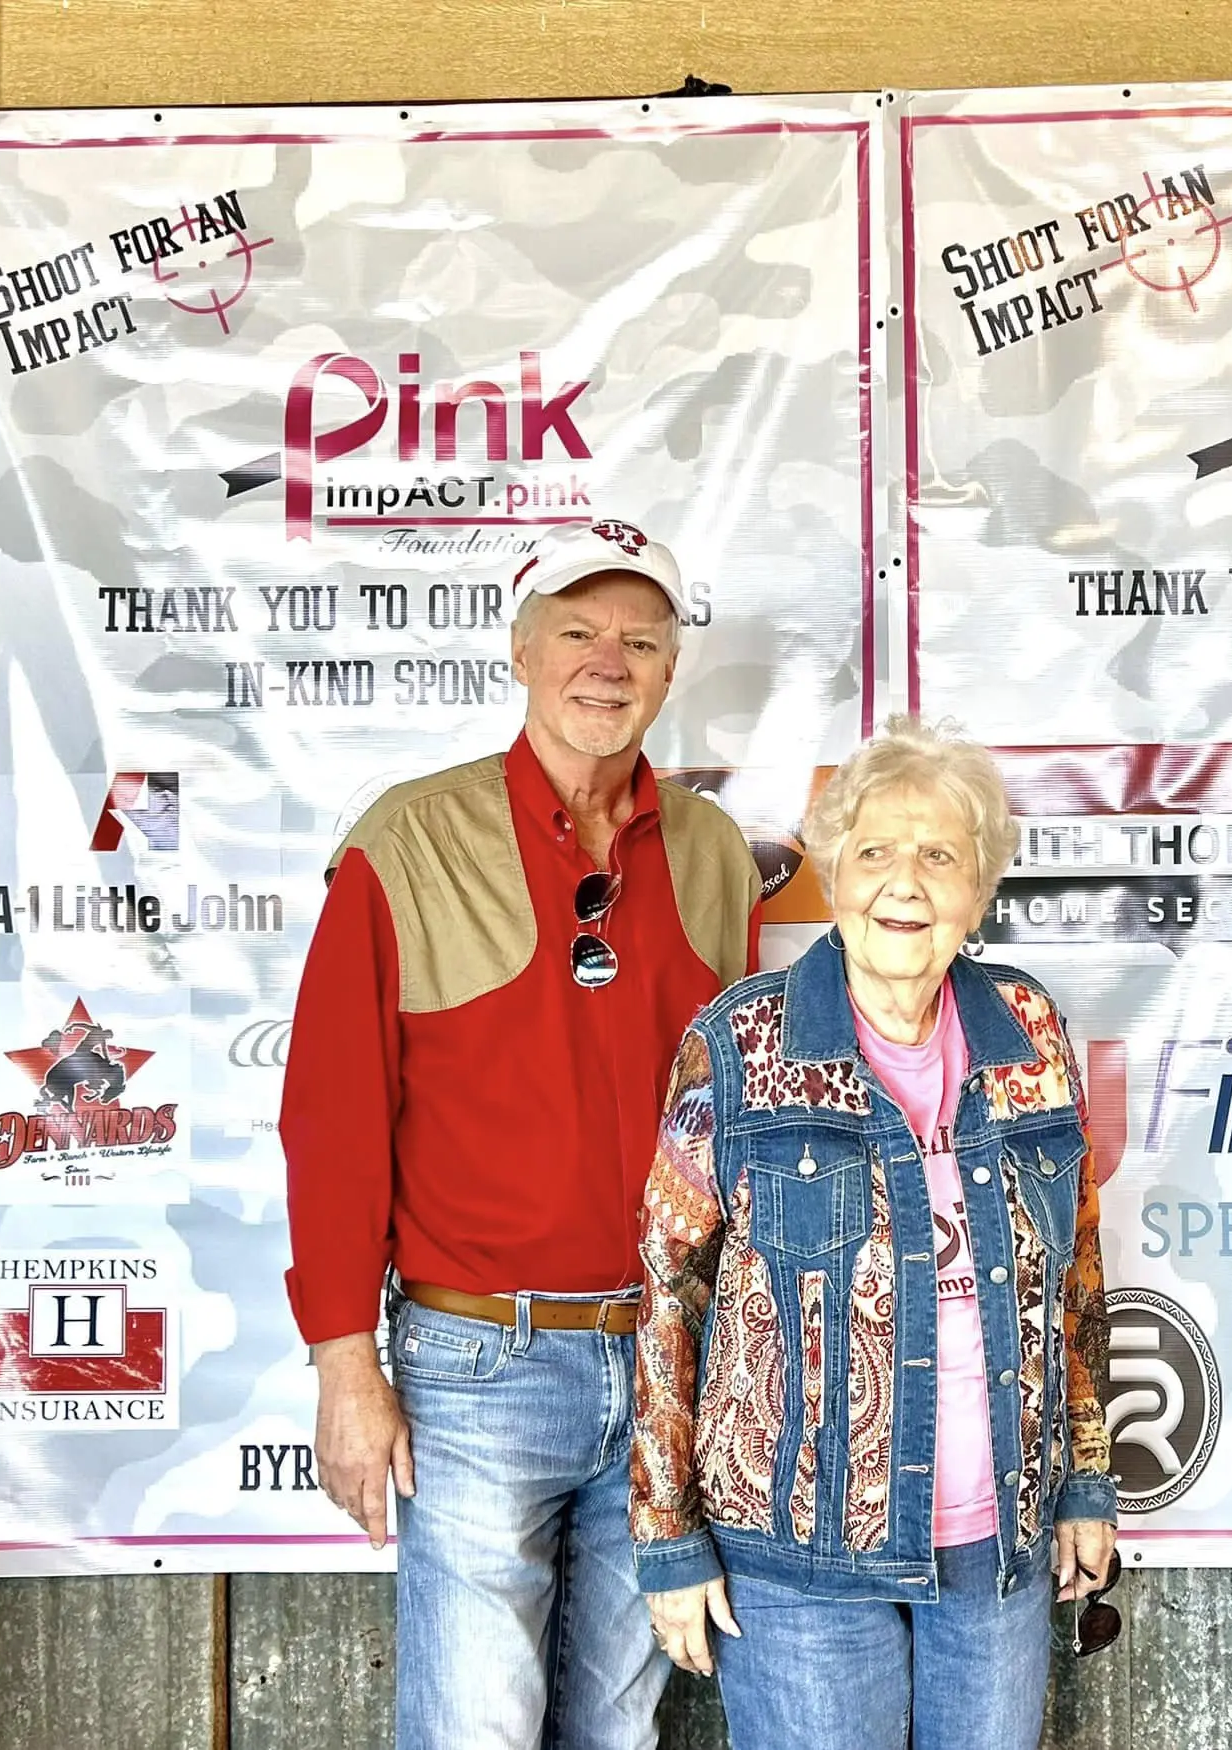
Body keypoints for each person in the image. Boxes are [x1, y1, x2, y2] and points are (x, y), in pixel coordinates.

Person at [280, 520, 763, 1750]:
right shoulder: (409, 840)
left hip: (667, 1360)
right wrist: (347, 1364)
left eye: (639, 640)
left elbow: (739, 1122)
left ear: (669, 670)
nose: (608, 662)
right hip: (474, 1366)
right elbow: (331, 1115)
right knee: (473, 1732)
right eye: (577, 632)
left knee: (618, 1731)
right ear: (517, 649)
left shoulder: (710, 854)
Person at [628, 714, 1117, 1750]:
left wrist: (1082, 1480)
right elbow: (669, 1294)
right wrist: (668, 1535)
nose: (907, 880)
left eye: (940, 854)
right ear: (833, 873)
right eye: (876, 850)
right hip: (797, 1564)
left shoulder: (1028, 1029)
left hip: (995, 1551)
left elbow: (1073, 1270)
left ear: (978, 891)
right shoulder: (738, 1044)